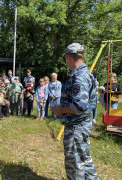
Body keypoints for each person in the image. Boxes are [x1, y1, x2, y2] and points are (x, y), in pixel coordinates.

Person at [51, 43, 98, 179]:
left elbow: (79, 106)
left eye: (66, 58)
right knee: (85, 161)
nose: (66, 61)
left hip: (76, 128)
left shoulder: (80, 77)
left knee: (75, 164)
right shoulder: (83, 74)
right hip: (80, 126)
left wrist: (60, 110)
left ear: (69, 57)